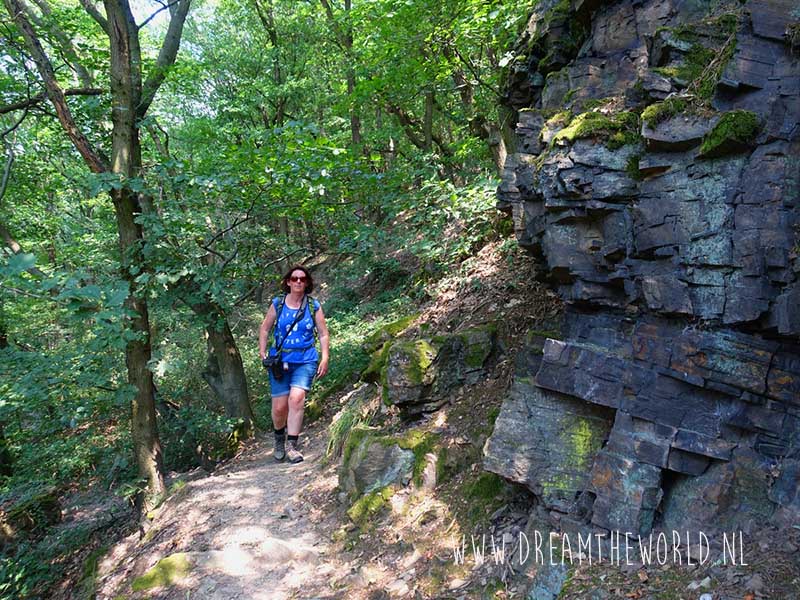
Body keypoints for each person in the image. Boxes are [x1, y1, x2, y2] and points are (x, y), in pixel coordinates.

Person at [258, 265, 329, 463]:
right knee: (280, 407)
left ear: (307, 283)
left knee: (296, 400)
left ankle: (292, 445)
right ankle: (279, 438)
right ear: (288, 282)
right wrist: (262, 351)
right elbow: (265, 328)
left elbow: (323, 333)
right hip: (280, 361)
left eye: (302, 279)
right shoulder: (278, 304)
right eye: (295, 278)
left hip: (306, 360)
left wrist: (325, 357)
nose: (299, 282)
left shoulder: (313, 305)